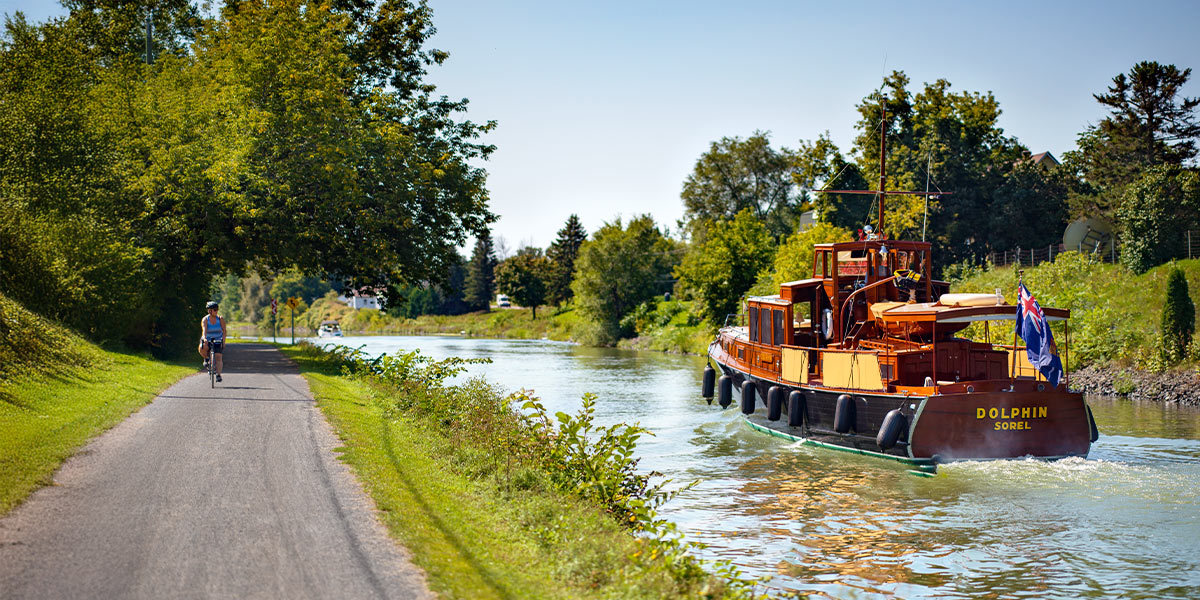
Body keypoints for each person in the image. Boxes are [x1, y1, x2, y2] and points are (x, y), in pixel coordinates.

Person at [198, 301, 227, 382]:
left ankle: (218, 374)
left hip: (218, 339)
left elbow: (224, 331)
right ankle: (206, 358)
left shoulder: (220, 319)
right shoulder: (205, 319)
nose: (216, 311)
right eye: (215, 309)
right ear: (209, 311)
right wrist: (204, 338)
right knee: (202, 347)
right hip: (208, 339)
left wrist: (223, 341)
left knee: (218, 357)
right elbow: (204, 330)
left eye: (217, 309)